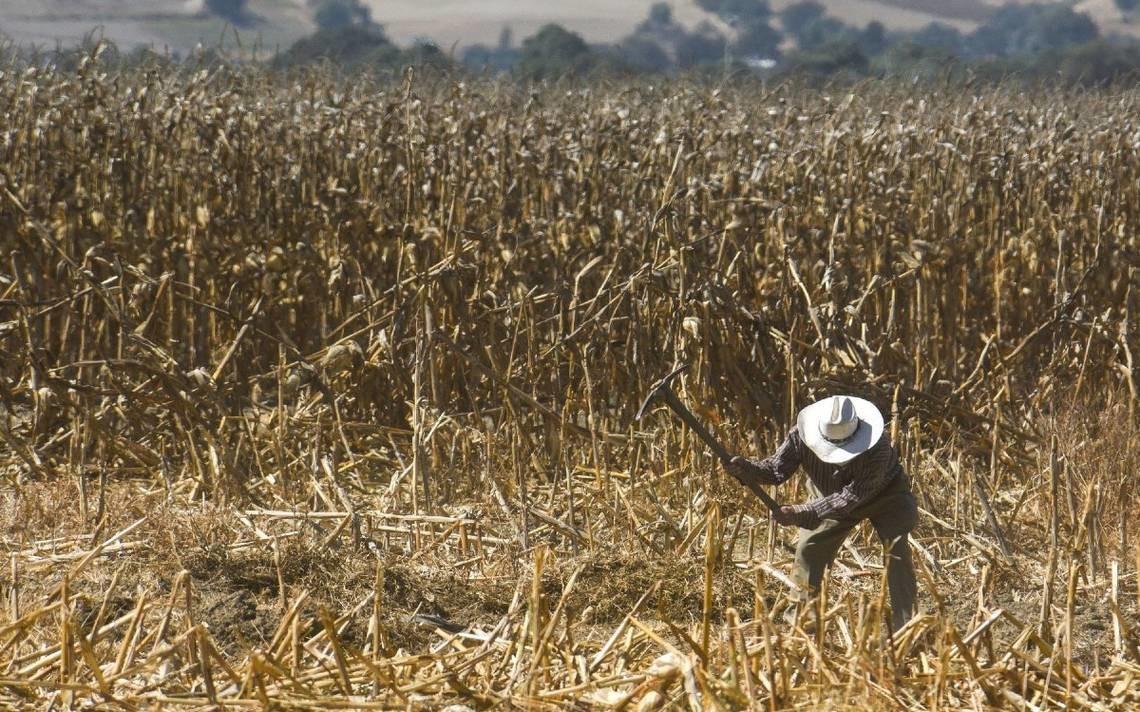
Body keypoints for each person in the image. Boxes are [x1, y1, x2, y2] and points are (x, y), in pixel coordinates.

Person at [725, 395, 918, 631]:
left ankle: (907, 626)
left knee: (897, 553)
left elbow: (851, 497)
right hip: (828, 493)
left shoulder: (878, 447)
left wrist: (802, 512)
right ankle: (802, 626)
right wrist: (746, 469)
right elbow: (776, 470)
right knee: (809, 550)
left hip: (884, 494)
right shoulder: (800, 436)